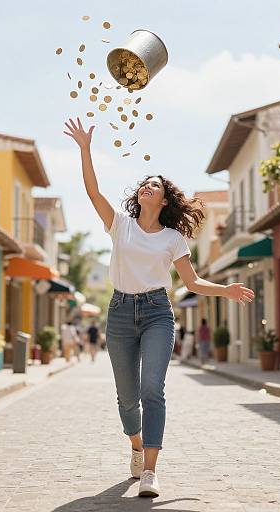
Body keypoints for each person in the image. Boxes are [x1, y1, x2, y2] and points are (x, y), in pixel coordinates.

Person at [64, 117, 254, 498]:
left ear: (164, 199)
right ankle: (136, 446)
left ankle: (150, 471)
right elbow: (92, 192)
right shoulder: (120, 224)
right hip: (119, 312)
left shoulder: (173, 237)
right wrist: (85, 149)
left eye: (155, 185)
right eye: (145, 184)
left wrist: (226, 290)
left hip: (156, 314)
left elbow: (193, 282)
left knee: (153, 388)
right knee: (126, 396)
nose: (148, 187)